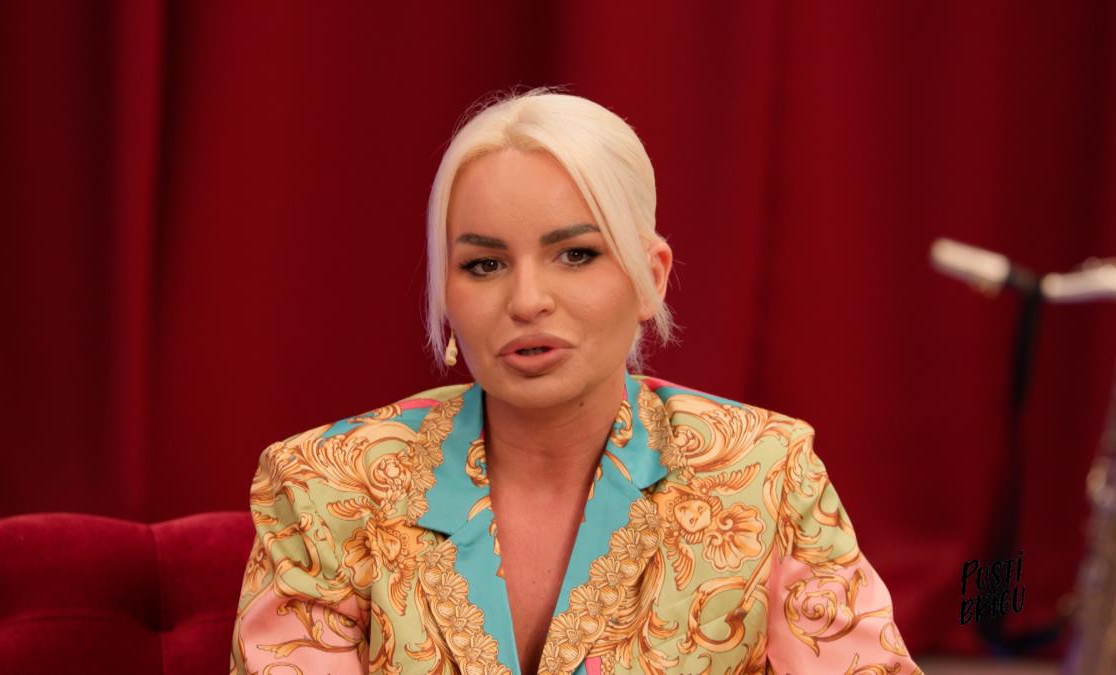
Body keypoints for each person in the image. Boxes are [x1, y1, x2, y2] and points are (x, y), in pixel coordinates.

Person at [230, 87, 922, 675]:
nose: (527, 300)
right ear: (446, 293)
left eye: (575, 254)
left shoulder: (765, 473)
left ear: (650, 279)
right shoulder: (323, 487)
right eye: (484, 265)